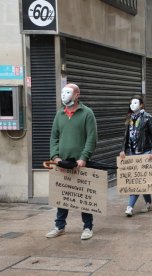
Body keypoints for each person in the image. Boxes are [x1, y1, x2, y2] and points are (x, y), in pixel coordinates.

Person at [46, 83, 97, 240]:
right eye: (62, 92)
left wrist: (84, 157)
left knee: (83, 197)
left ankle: (88, 227)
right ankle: (59, 226)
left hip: (80, 163)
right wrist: (55, 156)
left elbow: (92, 138)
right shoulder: (59, 114)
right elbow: (54, 136)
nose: (64, 95)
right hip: (62, 163)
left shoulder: (87, 113)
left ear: (77, 95)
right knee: (63, 195)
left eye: (68, 92)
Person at [120, 96, 152, 217]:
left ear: (142, 105)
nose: (132, 105)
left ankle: (130, 206)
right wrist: (123, 150)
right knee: (142, 180)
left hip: (145, 152)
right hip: (132, 152)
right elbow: (126, 136)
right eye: (131, 103)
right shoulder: (129, 118)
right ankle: (148, 203)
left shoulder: (148, 118)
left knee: (136, 181)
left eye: (135, 102)